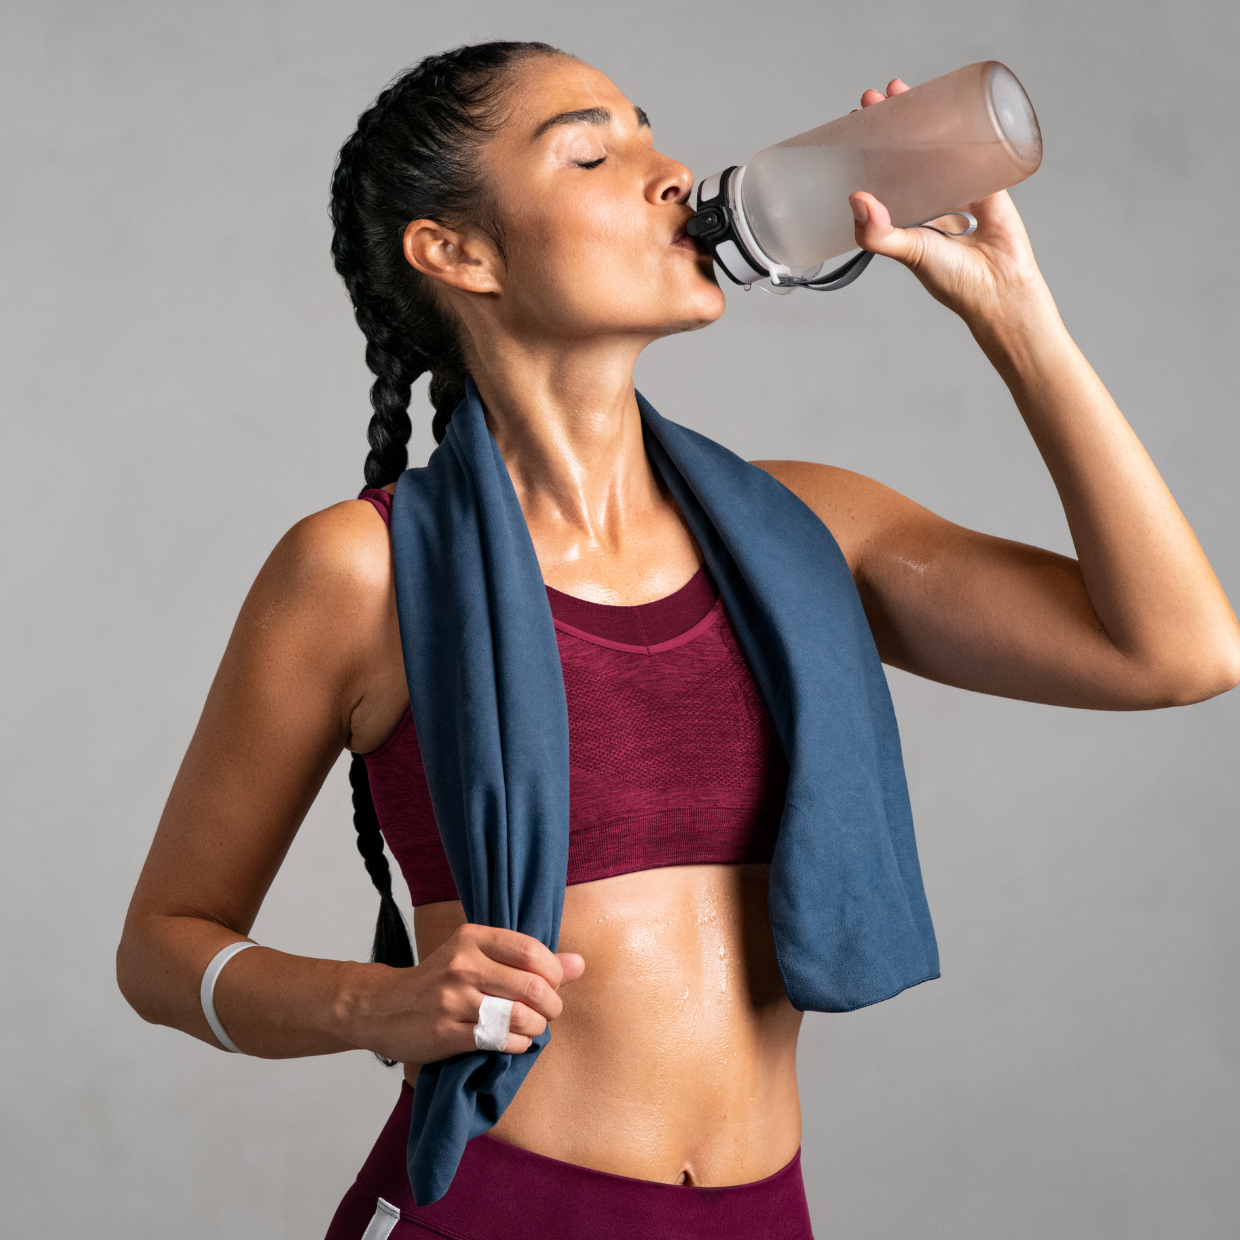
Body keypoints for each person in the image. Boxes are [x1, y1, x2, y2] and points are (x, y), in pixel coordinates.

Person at [116, 40, 1240, 1240]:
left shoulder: (812, 530)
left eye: (653, 136)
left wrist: (1019, 322)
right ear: (458, 252)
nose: (672, 175)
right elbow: (162, 948)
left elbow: (1177, 652)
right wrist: (376, 1004)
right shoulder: (363, 570)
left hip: (763, 1213)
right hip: (493, 1209)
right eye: (594, 152)